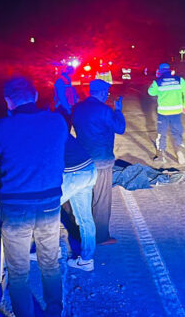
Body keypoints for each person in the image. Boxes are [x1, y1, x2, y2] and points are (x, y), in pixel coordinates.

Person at [0, 77, 67, 317]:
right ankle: (54, 311)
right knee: (49, 263)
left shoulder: (1, 127)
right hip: (50, 204)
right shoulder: (57, 121)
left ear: (8, 102)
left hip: (16, 206)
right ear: (36, 96)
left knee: (18, 272)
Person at [72, 79, 125, 245]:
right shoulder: (104, 110)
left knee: (84, 198)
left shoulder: (78, 108)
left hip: (82, 160)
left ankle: (81, 232)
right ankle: (101, 237)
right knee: (101, 199)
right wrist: (119, 111)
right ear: (102, 93)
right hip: (101, 161)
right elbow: (120, 128)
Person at [60, 134, 97, 271]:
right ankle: (87, 260)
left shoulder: (40, 129)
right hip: (89, 169)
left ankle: (51, 251)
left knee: (47, 209)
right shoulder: (55, 123)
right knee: (85, 219)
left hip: (74, 174)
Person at [148, 63, 185, 164]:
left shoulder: (158, 81)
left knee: (161, 133)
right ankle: (179, 152)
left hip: (163, 113)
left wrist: (156, 81)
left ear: (160, 71)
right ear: (169, 70)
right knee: (177, 132)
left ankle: (161, 156)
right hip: (176, 112)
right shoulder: (179, 80)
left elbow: (151, 92)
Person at [54, 65, 78, 130]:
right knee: (65, 128)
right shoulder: (60, 81)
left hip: (68, 107)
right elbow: (62, 97)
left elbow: (71, 94)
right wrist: (68, 109)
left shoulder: (68, 80)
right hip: (63, 108)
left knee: (68, 127)